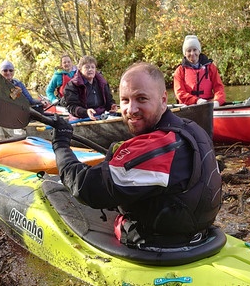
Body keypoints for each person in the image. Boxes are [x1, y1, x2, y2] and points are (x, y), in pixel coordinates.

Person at [52, 62, 222, 247]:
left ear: (163, 100)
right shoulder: (191, 128)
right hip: (197, 232)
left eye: (141, 99)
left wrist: (61, 145)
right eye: (125, 100)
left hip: (161, 244)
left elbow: (84, 187)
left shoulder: (161, 147)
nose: (131, 110)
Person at [173, 35, 226, 108]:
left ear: (199, 51)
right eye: (189, 51)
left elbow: (219, 87)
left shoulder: (210, 67)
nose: (192, 53)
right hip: (188, 106)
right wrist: (197, 101)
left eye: (194, 50)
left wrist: (217, 101)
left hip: (208, 105)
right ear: (185, 54)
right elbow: (179, 93)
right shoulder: (180, 70)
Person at [63, 55, 118, 120]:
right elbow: (72, 107)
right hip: (83, 117)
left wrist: (112, 106)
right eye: (87, 67)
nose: (90, 69)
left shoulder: (102, 83)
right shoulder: (72, 86)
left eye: (93, 67)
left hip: (102, 115)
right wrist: (86, 112)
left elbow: (109, 100)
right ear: (80, 69)